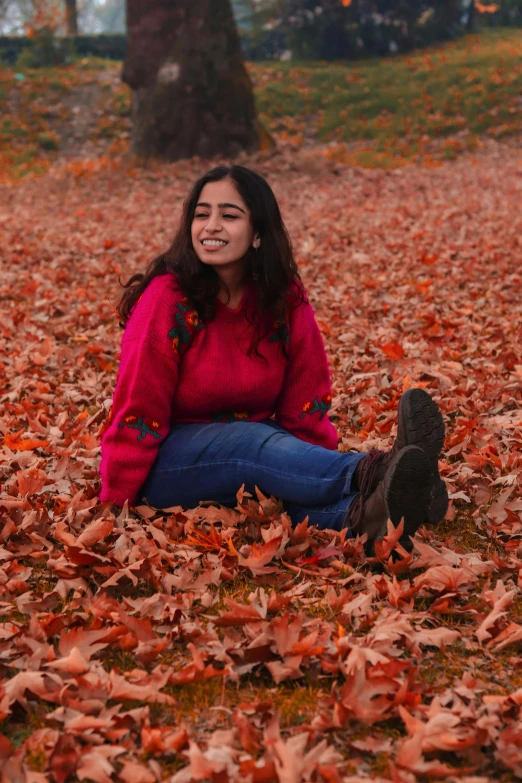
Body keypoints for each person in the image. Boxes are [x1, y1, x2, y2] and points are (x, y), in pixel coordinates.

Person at [99, 164, 448, 546]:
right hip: (167, 466)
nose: (211, 225)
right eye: (202, 214)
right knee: (252, 444)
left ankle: (372, 513)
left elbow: (305, 401)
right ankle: (374, 470)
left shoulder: (282, 298)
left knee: (277, 480)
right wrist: (116, 502)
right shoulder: (168, 299)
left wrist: (304, 468)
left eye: (228, 215)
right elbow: (137, 407)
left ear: (258, 235)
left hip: (259, 455)